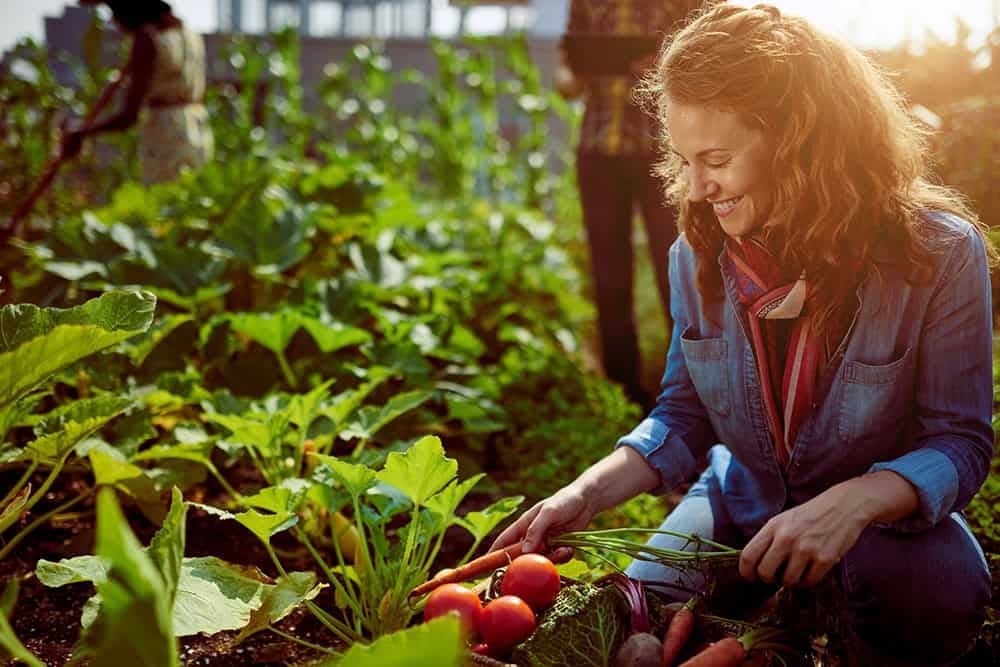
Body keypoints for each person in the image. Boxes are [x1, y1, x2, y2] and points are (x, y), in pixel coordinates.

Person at [493, 4, 995, 664]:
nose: (696, 189)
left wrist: (855, 502)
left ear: (801, 143)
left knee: (941, 592)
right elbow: (682, 413)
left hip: (880, 526)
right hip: (741, 501)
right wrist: (584, 492)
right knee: (632, 615)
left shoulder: (937, 256)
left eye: (718, 159)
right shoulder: (696, 255)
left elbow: (958, 442)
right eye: (685, 160)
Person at [557, 0, 702, 410]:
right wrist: (580, 71)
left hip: (665, 153)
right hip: (597, 150)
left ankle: (690, 389)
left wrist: (663, 66)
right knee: (609, 278)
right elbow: (566, 78)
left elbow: (716, 59)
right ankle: (624, 392)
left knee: (675, 269)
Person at [62, 0, 213, 184]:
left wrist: (82, 133)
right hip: (197, 128)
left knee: (164, 203)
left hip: (166, 137)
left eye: (115, 10)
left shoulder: (146, 39)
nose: (115, 20)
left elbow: (129, 116)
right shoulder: (189, 33)